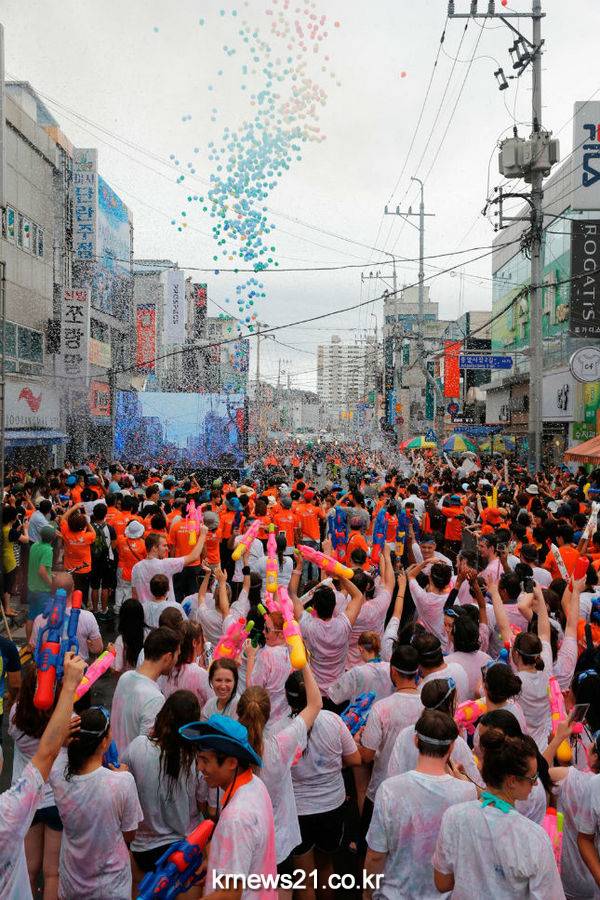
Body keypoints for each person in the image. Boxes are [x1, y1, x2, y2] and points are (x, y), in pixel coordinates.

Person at [433, 728, 564, 898]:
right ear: (512, 781)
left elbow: (443, 883)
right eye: (532, 778)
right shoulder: (533, 837)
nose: (536, 784)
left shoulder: (454, 817)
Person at [364, 709, 477, 900]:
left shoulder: (390, 790)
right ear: (451, 747)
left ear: (416, 741)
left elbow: (375, 855)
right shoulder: (466, 792)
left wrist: (367, 891)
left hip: (394, 894)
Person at [0, 652, 85, 900]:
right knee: (52, 873)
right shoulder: (67, 719)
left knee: (28, 867)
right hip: (55, 797)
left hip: (25, 800)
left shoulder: (16, 715)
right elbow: (54, 747)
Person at [236, 663, 322, 899]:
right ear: (267, 714)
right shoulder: (281, 745)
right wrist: (304, 664)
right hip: (279, 843)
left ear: (239, 714)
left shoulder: (230, 751)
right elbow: (315, 704)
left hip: (244, 842)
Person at [180, 714, 278, 900]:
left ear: (232, 762)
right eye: (199, 760)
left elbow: (230, 893)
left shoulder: (236, 818)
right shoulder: (255, 784)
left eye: (205, 760)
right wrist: (215, 864)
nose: (199, 767)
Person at [51, 706, 142, 899]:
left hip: (71, 883)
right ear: (104, 742)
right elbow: (130, 834)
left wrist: (61, 739)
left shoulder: (57, 776)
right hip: (112, 887)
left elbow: (50, 752)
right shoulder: (122, 782)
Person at [122, 690, 208, 897]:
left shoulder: (138, 746)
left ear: (164, 714)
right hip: (184, 848)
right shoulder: (196, 757)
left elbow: (122, 780)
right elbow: (202, 804)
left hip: (143, 849)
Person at [286, 669, 361, 893]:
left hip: (298, 811)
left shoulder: (281, 729)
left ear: (288, 698)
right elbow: (355, 759)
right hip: (331, 806)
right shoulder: (333, 721)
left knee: (304, 879)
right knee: (326, 866)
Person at [359, 645, 423, 823]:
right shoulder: (428, 706)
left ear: (393, 671)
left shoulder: (381, 708)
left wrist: (358, 741)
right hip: (416, 792)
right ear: (417, 671)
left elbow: (367, 756)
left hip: (382, 789)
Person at [111, 626, 181, 755]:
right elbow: (144, 751)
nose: (177, 660)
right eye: (177, 655)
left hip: (113, 758)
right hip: (129, 765)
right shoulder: (155, 698)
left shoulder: (125, 678)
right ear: (168, 657)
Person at [30, 573, 103, 663]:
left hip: (49, 669)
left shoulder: (39, 619)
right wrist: (88, 645)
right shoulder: (88, 617)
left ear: (53, 590)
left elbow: (34, 648)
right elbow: (97, 649)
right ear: (73, 588)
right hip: (78, 669)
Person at [131, 528, 207, 604]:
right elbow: (193, 557)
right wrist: (202, 535)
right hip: (167, 610)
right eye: (164, 546)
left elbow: (134, 595)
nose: (167, 549)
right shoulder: (166, 564)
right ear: (154, 548)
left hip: (145, 610)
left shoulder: (136, 568)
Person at [245, 610, 292, 723]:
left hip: (267, 718)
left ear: (281, 634)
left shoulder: (267, 654)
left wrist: (251, 656)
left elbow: (252, 690)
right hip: (286, 716)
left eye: (267, 629)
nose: (263, 632)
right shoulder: (293, 650)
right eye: (264, 627)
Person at [159, 621, 212, 707]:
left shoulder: (167, 670)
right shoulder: (200, 674)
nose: (204, 641)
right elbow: (212, 703)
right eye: (202, 638)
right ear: (194, 642)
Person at [58, 504, 95, 605]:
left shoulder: (66, 532)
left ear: (69, 525)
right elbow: (93, 532)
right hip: (84, 570)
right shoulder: (88, 536)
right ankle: (82, 608)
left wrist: (74, 507)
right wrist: (86, 521)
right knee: (83, 593)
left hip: (69, 569)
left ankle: (69, 607)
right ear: (83, 526)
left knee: (70, 592)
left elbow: (63, 518)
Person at [26, 525, 55, 641]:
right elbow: (42, 571)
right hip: (42, 590)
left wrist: (50, 574)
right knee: (43, 618)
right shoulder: (48, 550)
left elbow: (38, 566)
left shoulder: (34, 545)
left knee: (31, 616)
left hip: (32, 587)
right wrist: (52, 585)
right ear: (52, 538)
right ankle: (40, 643)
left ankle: (29, 643)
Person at [89, 502, 117, 618]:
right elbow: (114, 545)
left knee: (95, 586)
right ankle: (104, 609)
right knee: (105, 586)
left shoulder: (89, 528)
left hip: (93, 559)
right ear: (105, 514)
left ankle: (95, 609)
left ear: (94, 514)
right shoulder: (110, 528)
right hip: (107, 559)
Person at [111, 597, 147, 676]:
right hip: (146, 678)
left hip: (128, 680)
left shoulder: (121, 640)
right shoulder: (149, 635)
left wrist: (110, 653)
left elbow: (116, 670)